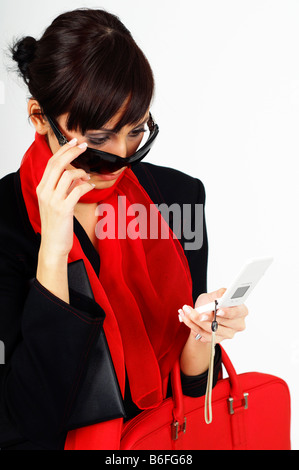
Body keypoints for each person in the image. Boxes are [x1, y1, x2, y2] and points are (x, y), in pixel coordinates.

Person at [0, 8, 248, 450]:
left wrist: (200, 341)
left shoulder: (176, 198)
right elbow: (23, 416)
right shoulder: (5, 220)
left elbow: (192, 399)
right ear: (40, 117)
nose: (121, 159)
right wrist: (54, 254)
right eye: (97, 142)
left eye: (137, 134)